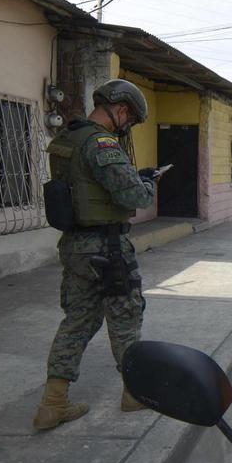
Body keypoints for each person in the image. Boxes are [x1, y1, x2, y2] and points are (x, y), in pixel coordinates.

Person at [33, 79, 158, 430]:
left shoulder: (66, 140)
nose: (127, 127)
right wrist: (147, 182)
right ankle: (134, 394)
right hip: (107, 247)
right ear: (120, 110)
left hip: (74, 247)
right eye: (129, 120)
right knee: (125, 318)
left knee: (78, 320)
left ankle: (53, 403)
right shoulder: (101, 143)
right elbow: (135, 197)